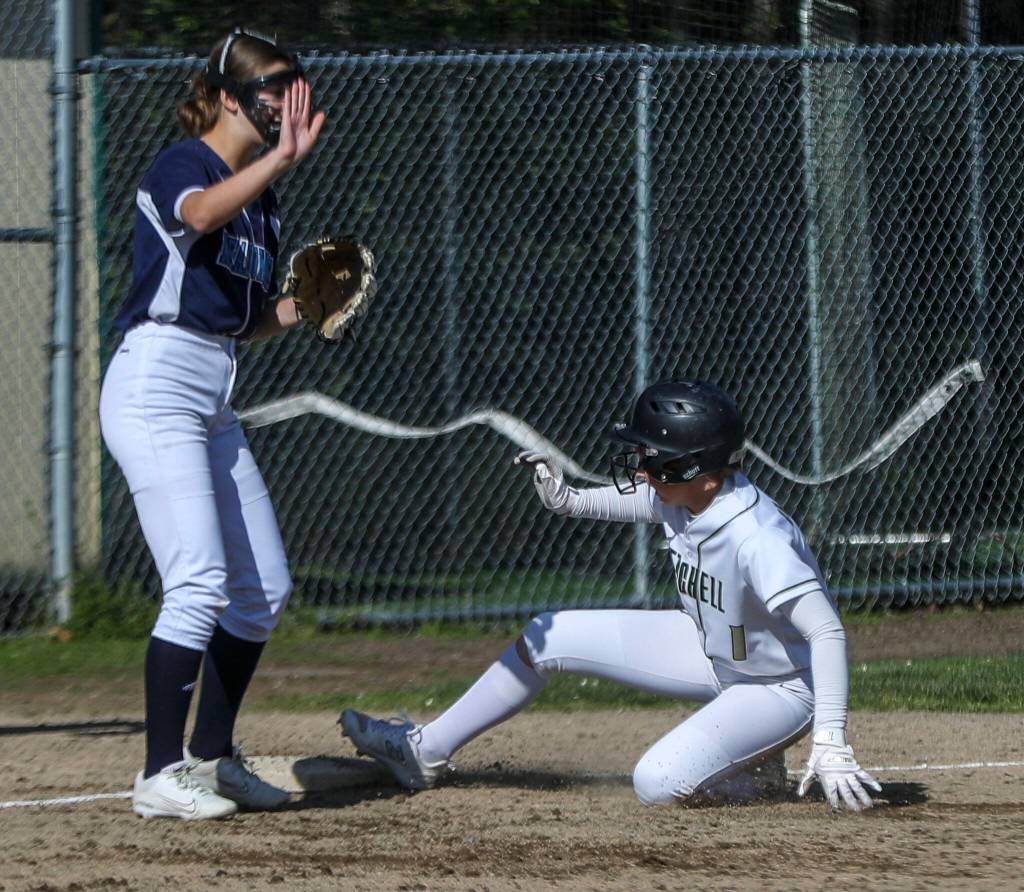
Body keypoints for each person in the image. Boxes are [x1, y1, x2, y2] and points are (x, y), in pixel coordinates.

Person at [341, 380, 881, 811]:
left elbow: (827, 631)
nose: (643, 470)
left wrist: (830, 739)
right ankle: (423, 752)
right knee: (544, 637)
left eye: (656, 460)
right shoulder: (689, 498)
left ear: (701, 472)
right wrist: (567, 500)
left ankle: (750, 770)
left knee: (656, 783)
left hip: (780, 687)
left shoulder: (755, 537)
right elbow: (637, 504)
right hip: (715, 650)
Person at [99, 27, 325, 820]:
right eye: (269, 84)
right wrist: (279, 160)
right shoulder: (184, 163)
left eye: (291, 81)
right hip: (154, 385)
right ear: (227, 95)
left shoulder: (262, 197)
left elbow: (239, 318)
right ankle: (160, 775)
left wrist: (302, 309)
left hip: (209, 391)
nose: (282, 96)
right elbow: (194, 216)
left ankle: (213, 758)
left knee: (261, 589)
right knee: (197, 582)